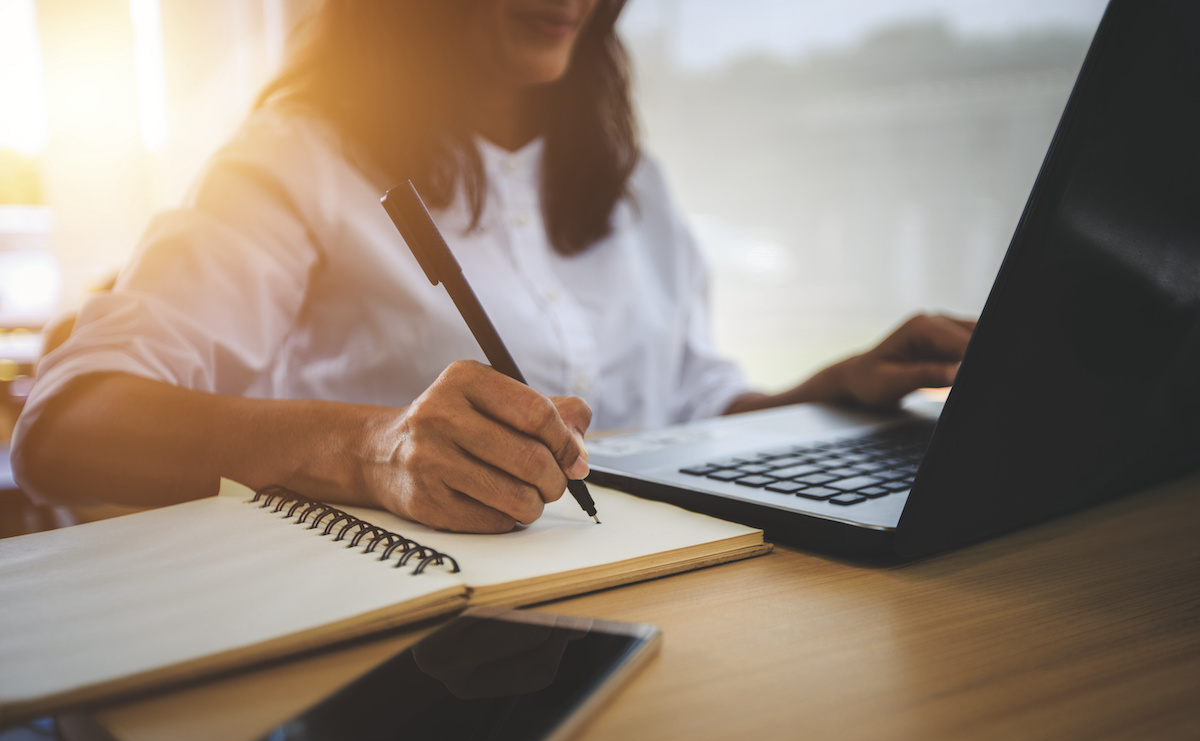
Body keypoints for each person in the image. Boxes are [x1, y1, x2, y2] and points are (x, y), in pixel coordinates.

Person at [11, 0, 974, 534]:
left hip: (658, 605)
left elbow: (684, 409)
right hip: (410, 658)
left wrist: (836, 388)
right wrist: (371, 449)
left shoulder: (633, 184)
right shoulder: (293, 158)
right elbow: (64, 426)